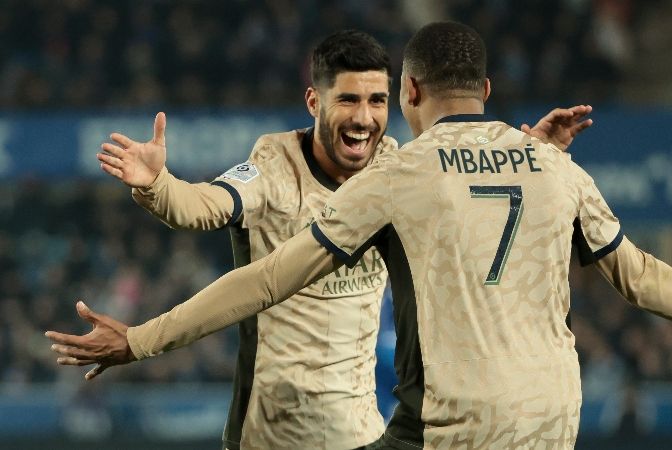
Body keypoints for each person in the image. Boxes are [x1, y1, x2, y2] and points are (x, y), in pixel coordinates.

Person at [45, 21, 672, 449]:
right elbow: (640, 274)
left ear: (409, 94)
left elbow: (268, 279)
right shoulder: (553, 167)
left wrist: (143, 340)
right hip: (557, 417)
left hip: (452, 423)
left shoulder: (400, 174)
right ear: (488, 92)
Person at [85, 29, 593, 450]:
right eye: (347, 99)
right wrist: (158, 186)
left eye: (375, 100)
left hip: (361, 429)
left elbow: (479, 198)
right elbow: (206, 205)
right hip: (275, 433)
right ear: (314, 100)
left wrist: (534, 153)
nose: (363, 118)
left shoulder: (395, 171)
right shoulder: (274, 166)